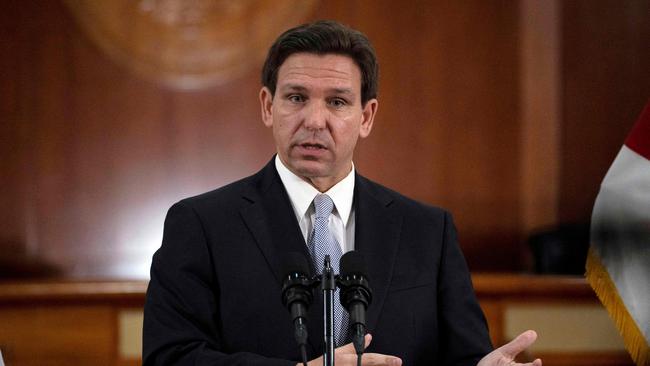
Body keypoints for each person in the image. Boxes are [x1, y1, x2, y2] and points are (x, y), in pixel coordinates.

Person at [143, 20, 542, 366]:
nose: (315, 120)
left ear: (366, 117)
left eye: (337, 102)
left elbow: (461, 356)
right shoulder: (202, 225)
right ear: (268, 106)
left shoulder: (427, 231)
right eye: (297, 98)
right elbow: (170, 357)